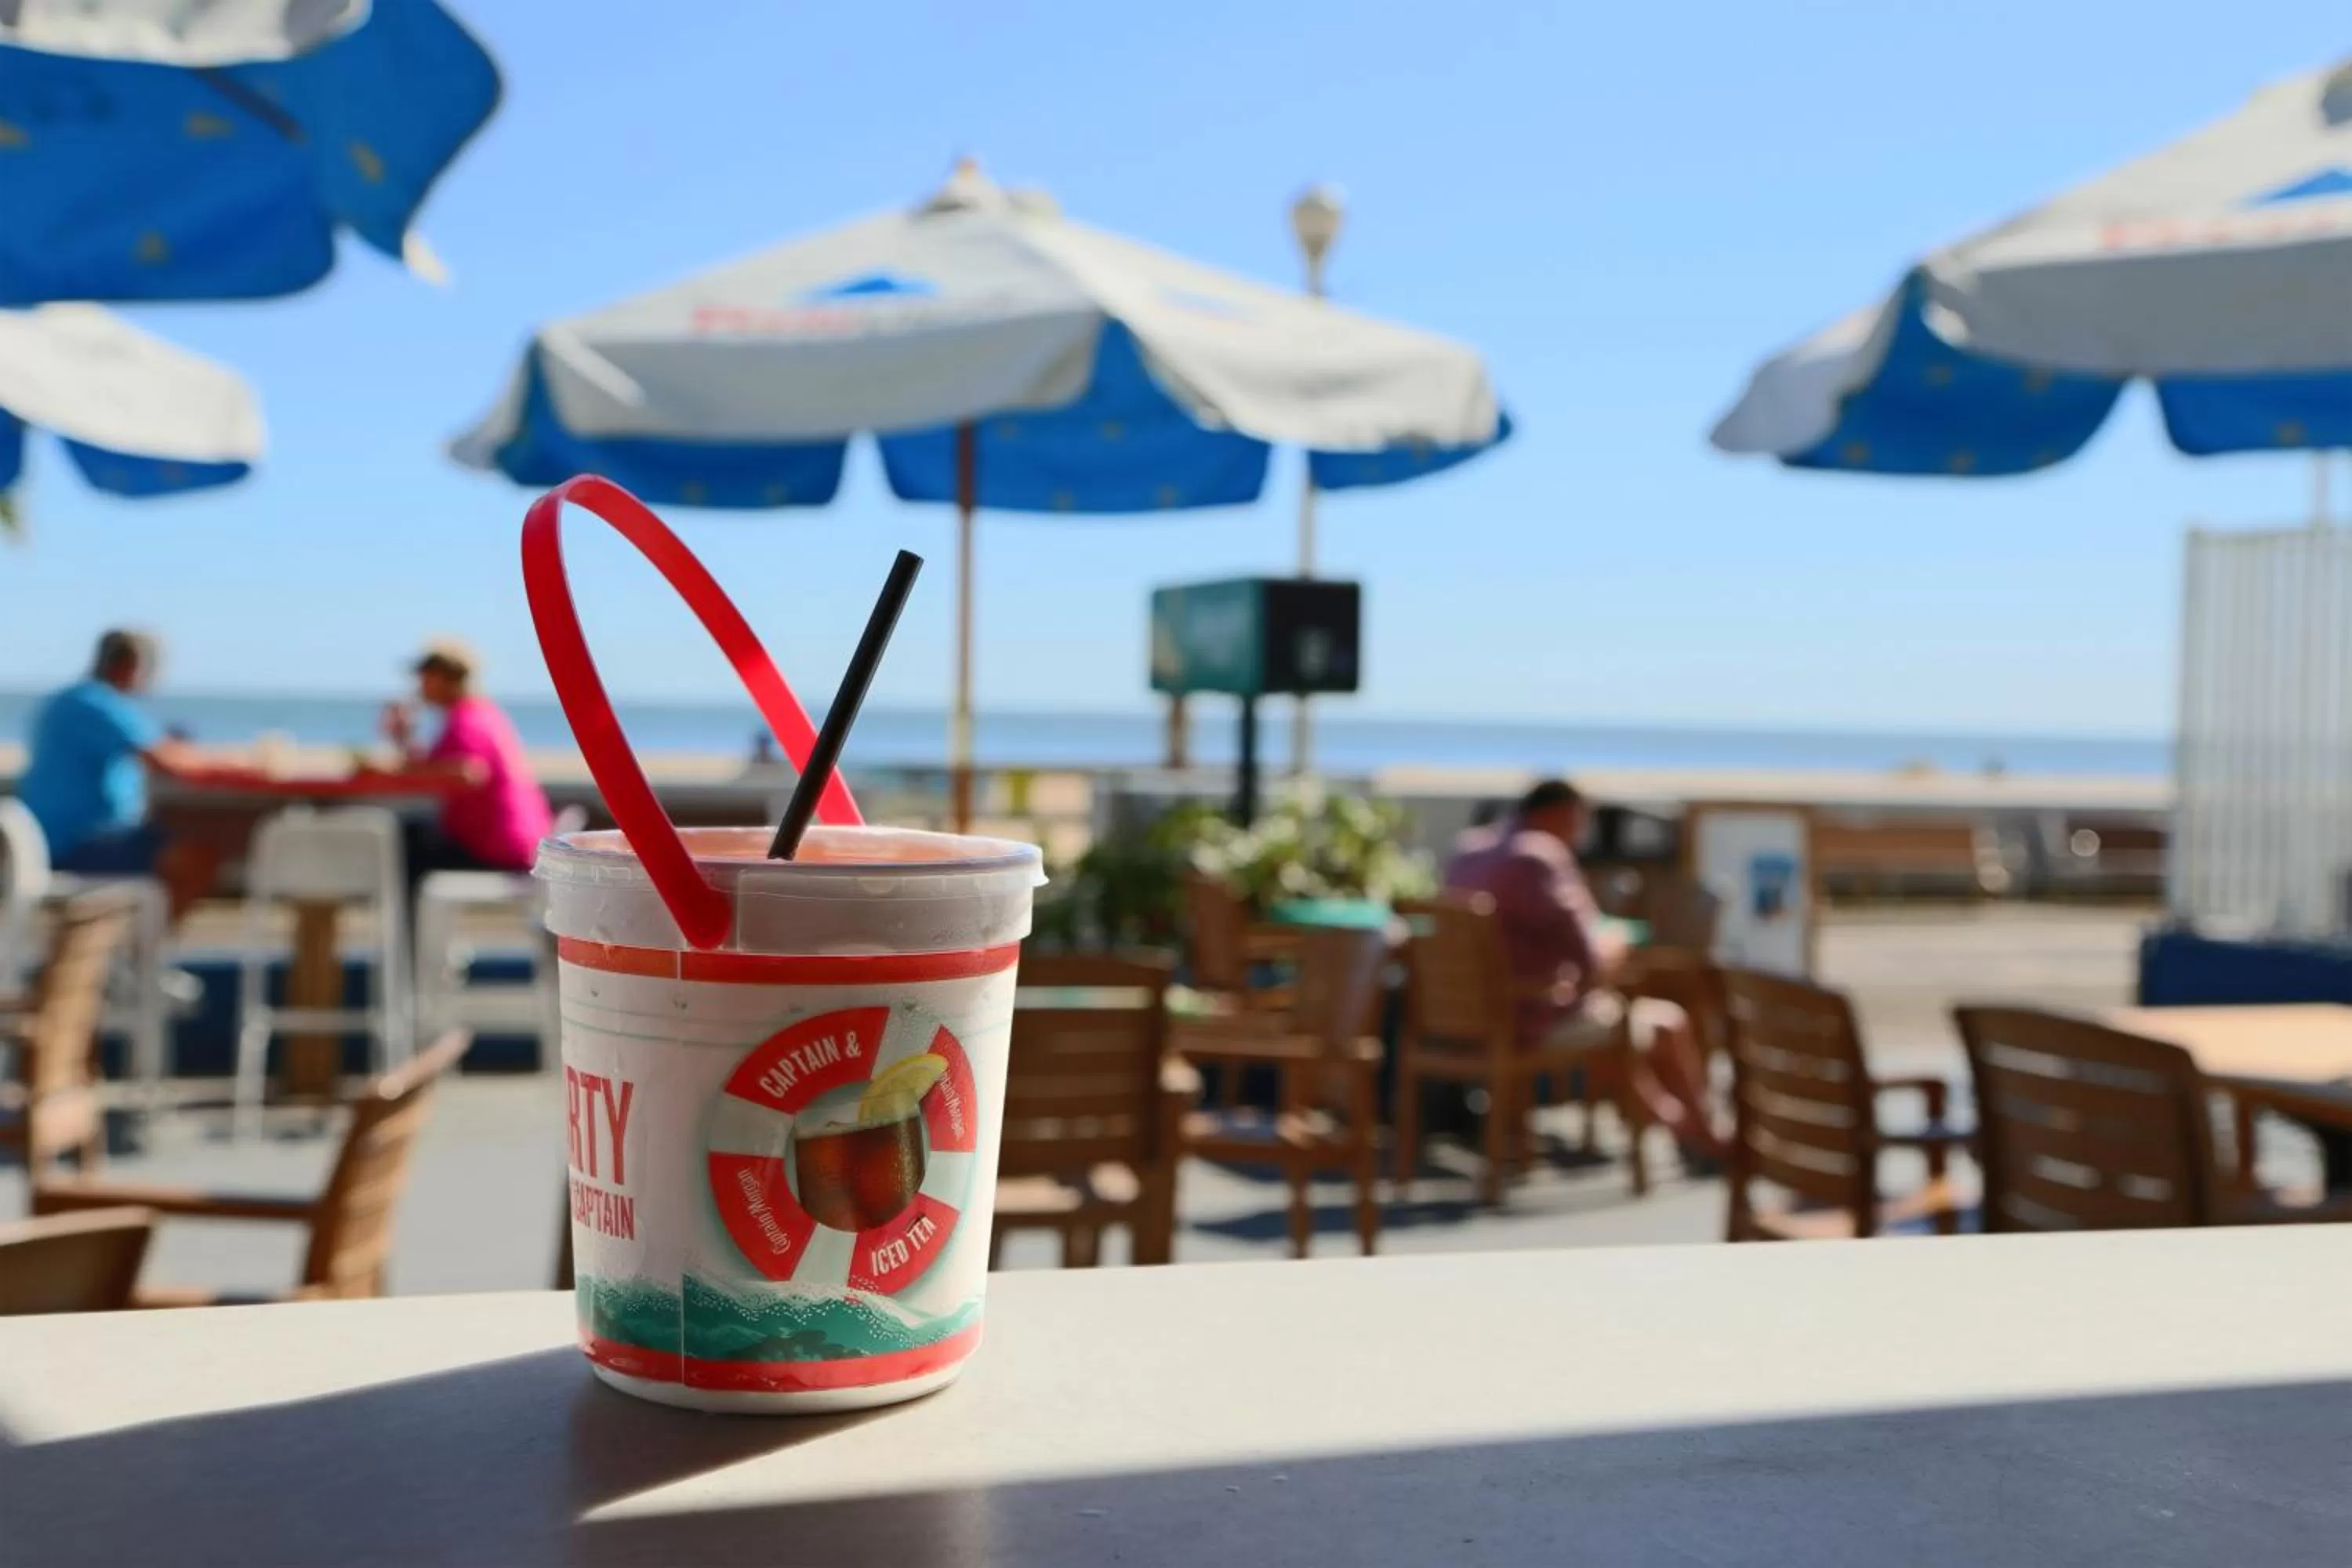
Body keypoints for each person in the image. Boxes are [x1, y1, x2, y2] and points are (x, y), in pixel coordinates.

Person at [1444, 779, 1728, 1163]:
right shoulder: (1539, 855)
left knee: (1612, 1026)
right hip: (1527, 1019)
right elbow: (1590, 959)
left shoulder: (1468, 850)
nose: (1582, 833)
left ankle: (1686, 1130)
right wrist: (1616, 943)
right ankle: (1698, 1133)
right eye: (1581, 821)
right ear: (1561, 814)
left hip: (1458, 1019)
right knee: (1661, 1022)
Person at [16, 630, 242, 920]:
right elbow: (167, 762)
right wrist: (235, 765)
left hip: (50, 840)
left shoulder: (69, 700)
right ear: (131, 666)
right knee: (197, 856)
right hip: (76, 845)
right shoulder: (100, 704)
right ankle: (144, 943)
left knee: (178, 841)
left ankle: (132, 938)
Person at [376, 639, 553, 885]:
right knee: (414, 834)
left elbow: (467, 772)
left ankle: (402, 911)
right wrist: (403, 741)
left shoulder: (468, 719)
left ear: (443, 678)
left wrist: (394, 769)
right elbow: (439, 766)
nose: (419, 686)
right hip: (516, 843)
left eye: (424, 678)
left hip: (500, 849)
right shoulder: (478, 713)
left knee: (405, 840)